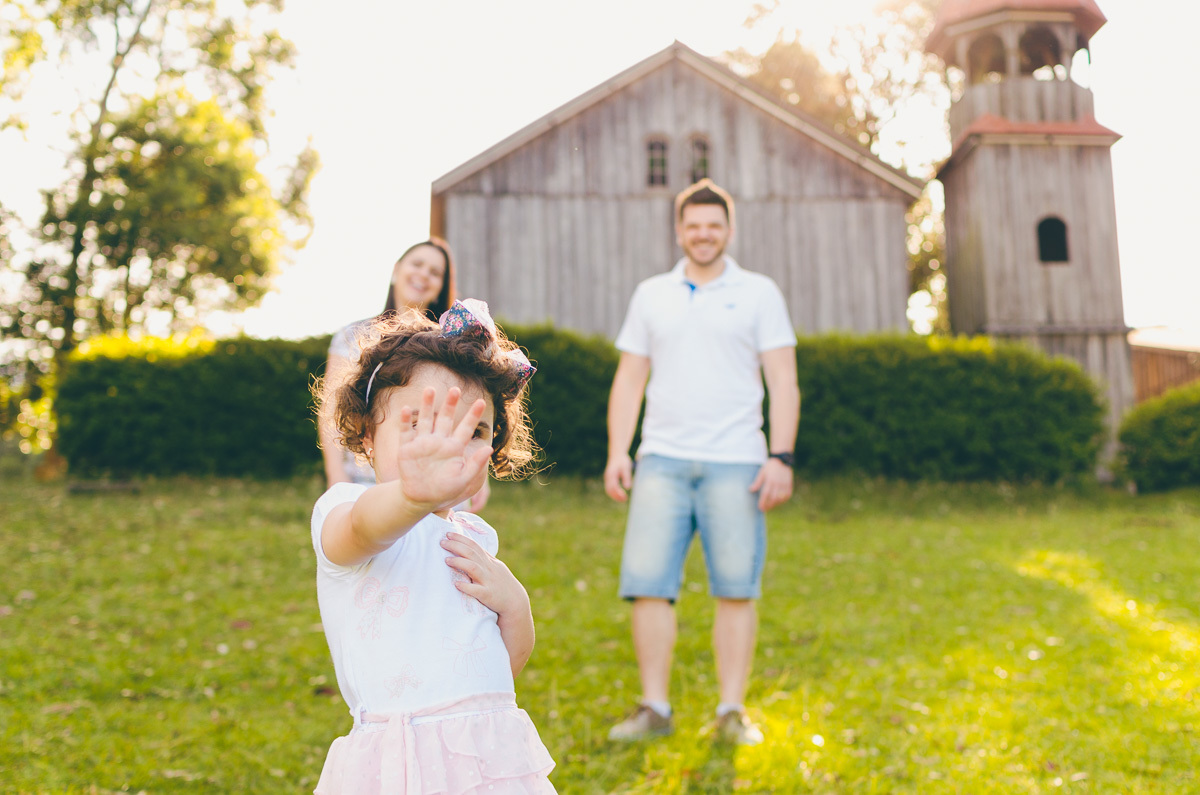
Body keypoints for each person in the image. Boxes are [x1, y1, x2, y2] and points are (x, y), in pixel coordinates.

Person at [310, 299, 555, 793]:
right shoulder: (349, 508)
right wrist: (409, 495)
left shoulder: (474, 541)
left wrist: (516, 605)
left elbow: (496, 672)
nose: (445, 446)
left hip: (486, 761)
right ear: (365, 435)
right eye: (419, 423)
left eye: (474, 430)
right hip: (399, 766)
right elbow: (359, 530)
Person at [603, 179, 801, 746]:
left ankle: (732, 711)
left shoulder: (760, 292)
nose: (704, 234)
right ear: (679, 230)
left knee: (736, 587)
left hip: (737, 462)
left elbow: (783, 378)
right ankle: (655, 708)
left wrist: (780, 455)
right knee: (647, 585)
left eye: (714, 225)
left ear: (729, 230)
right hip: (660, 460)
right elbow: (630, 379)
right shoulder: (651, 294)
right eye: (694, 225)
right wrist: (619, 450)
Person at [319, 238, 488, 509]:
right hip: (364, 479)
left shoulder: (449, 345)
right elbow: (330, 411)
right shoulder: (353, 337)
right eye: (417, 264)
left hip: (439, 479)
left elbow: (467, 411)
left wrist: (479, 472)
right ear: (397, 270)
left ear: (439, 289)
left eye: (435, 273)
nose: (424, 274)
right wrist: (335, 474)